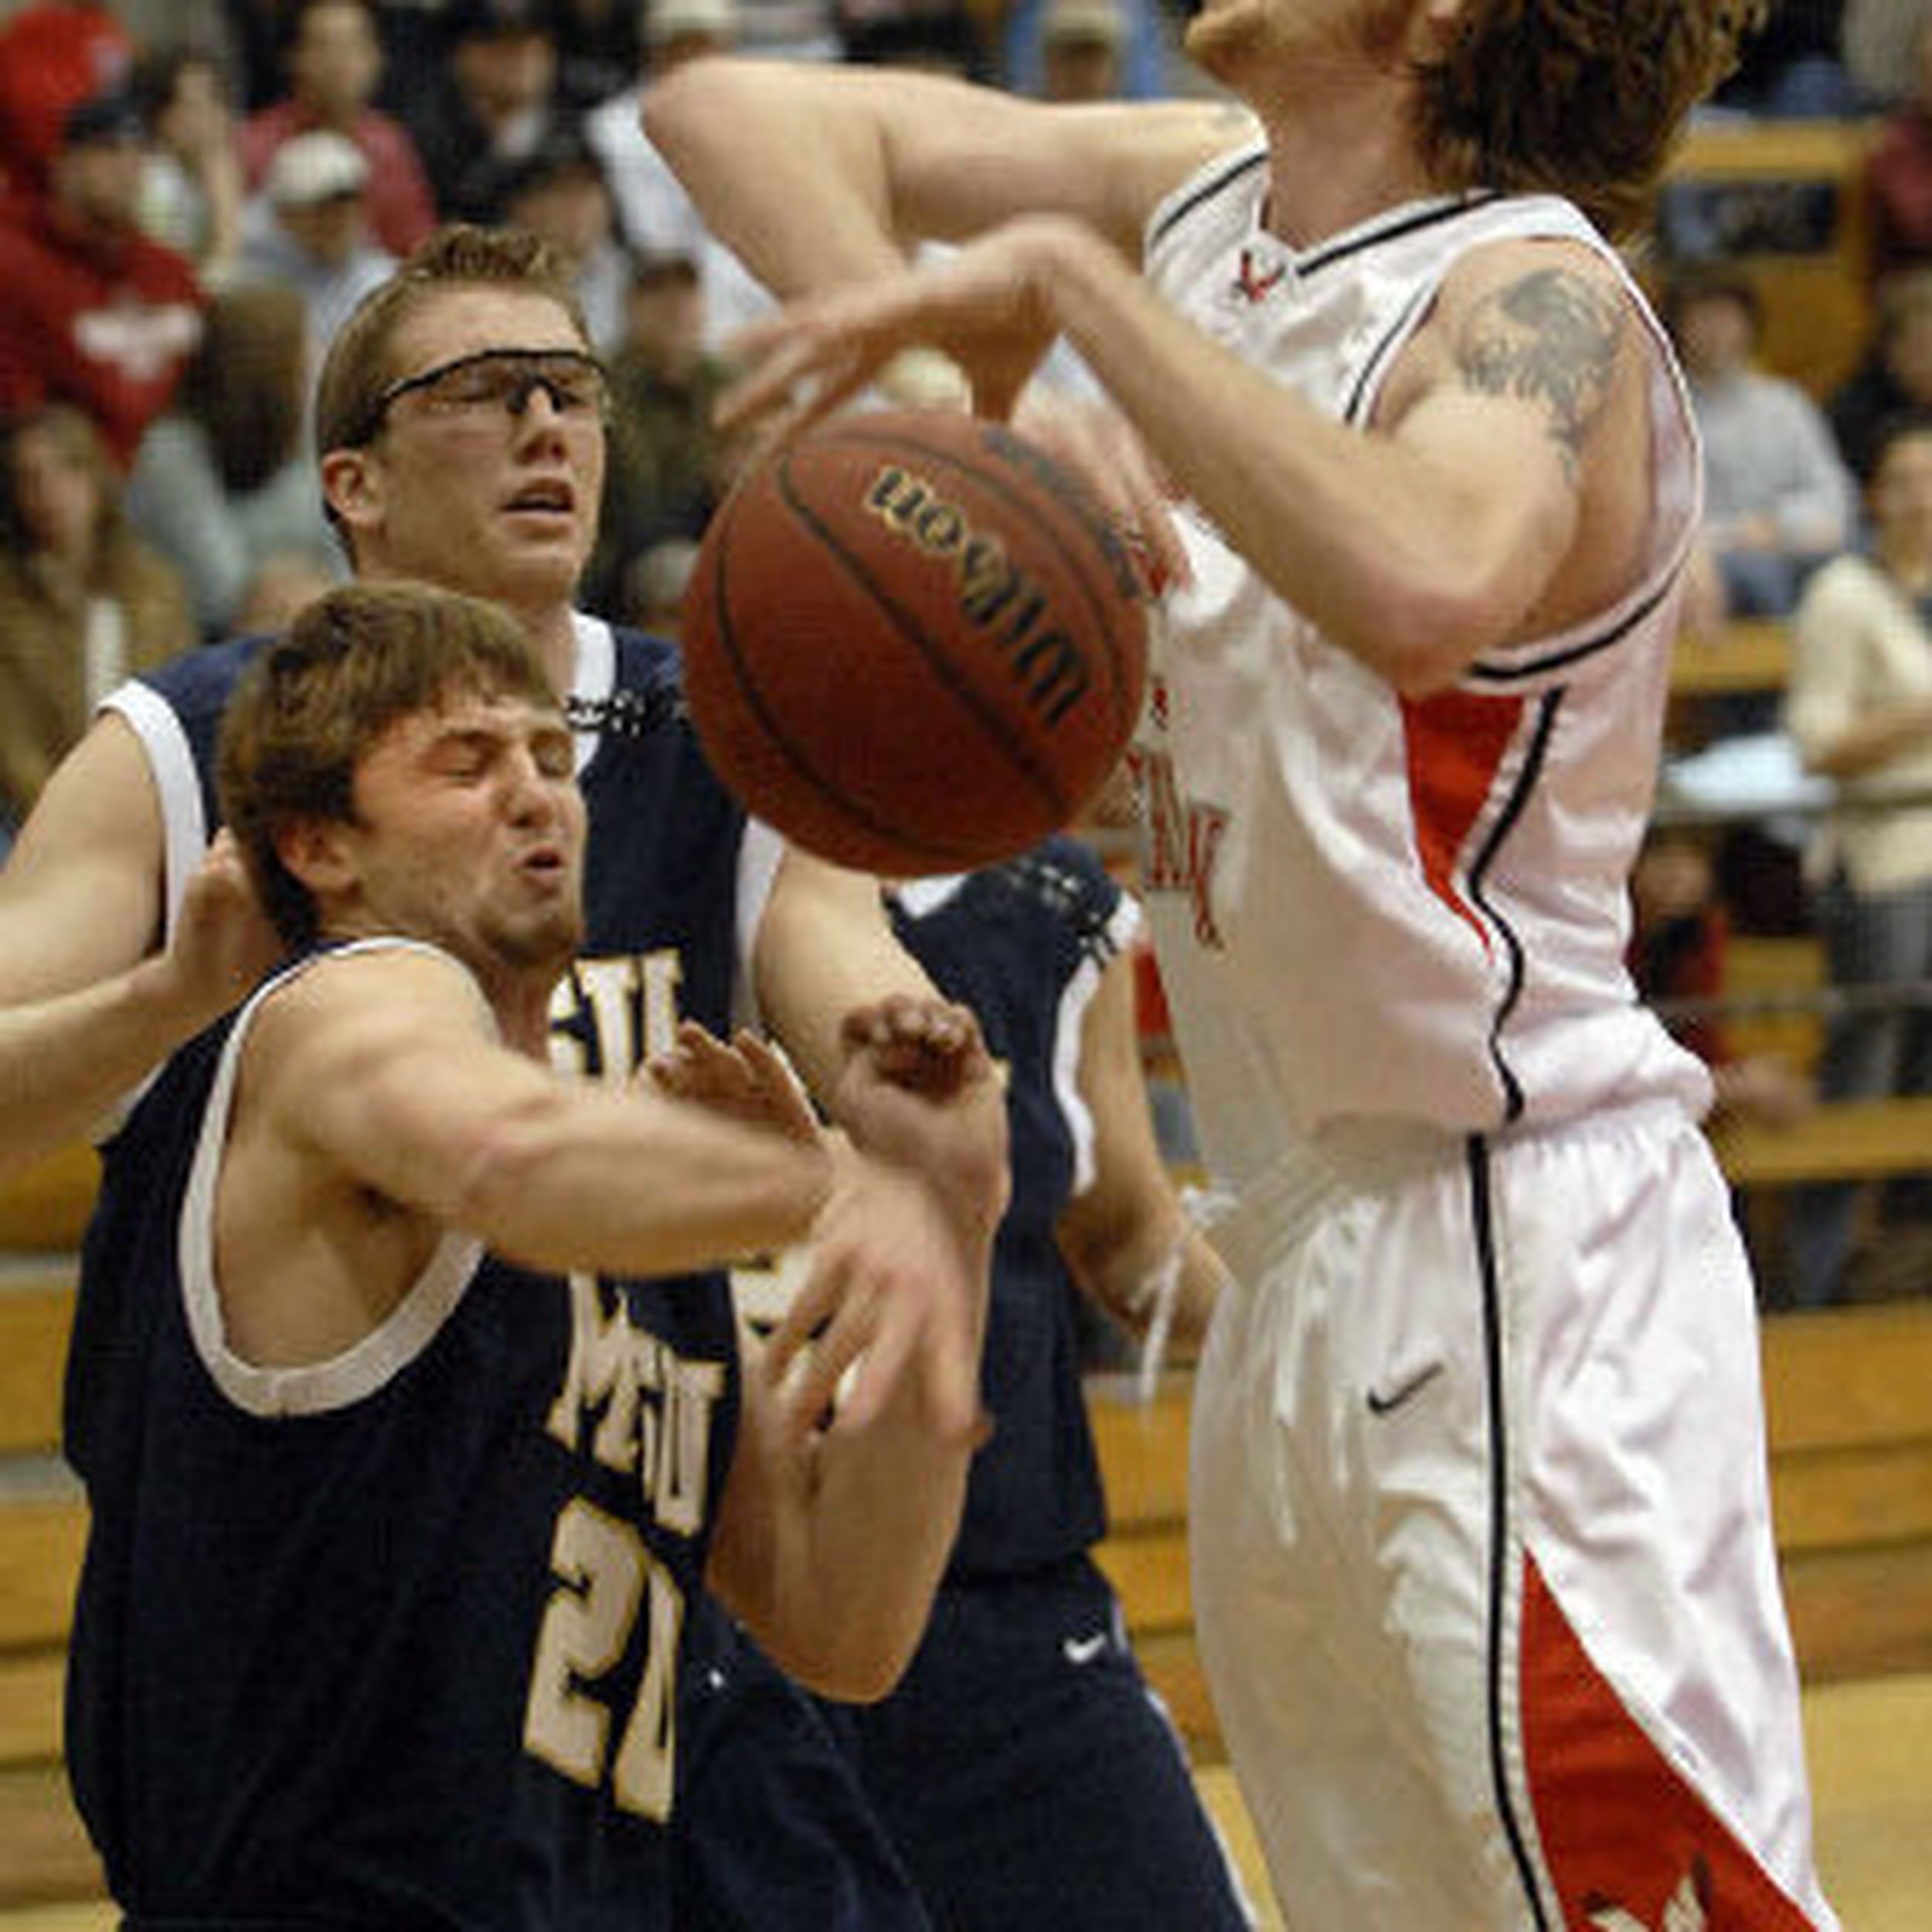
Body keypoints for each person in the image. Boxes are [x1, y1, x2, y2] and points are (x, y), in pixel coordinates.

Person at [644, 9, 1842, 1924]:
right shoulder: (1199, 204)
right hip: (1284, 1259)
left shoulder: (1529, 298)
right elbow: (727, 110)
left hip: (1517, 1251)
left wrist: (1070, 312)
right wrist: (983, 414)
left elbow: (1431, 580)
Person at [0, 221, 998, 1924]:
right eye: (484, 391)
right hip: (319, 1719)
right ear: (353, 480)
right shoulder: (259, 830)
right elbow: (515, 1153)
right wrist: (171, 993)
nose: (548, 423)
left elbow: (847, 1624)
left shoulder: (718, 741)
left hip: (627, 1728)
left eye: (574, 386)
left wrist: (942, 1194)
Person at [797, 836, 1251, 1930]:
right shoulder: (678, 845)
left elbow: (1130, 1233)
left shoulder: (1055, 907)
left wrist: (1310, 1343)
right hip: (756, 1625)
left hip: (1006, 1600)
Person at [1781, 411, 1932, 1308]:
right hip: (1880, 871)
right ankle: (1811, 1289)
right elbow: (1816, 743)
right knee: (1861, 1077)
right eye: (1905, 481)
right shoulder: (1841, 594)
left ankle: (1903, 1285)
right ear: (1875, 496)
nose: (1922, 498)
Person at [0, 404, 194, 845]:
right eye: (30, 478)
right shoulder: (6, 601)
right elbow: (12, 747)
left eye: (67, 471)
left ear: (97, 479)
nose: (50, 493)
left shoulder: (155, 587)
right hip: (35, 814)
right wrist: (72, 817)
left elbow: (181, 706)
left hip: (148, 800)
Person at [0, 84, 204, 471]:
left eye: (140, 152)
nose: (127, 167)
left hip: (175, 476)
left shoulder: (169, 271)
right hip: (67, 486)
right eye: (108, 150)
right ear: (64, 164)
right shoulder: (14, 264)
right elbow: (20, 417)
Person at [124, 277, 342, 637]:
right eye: (303, 350)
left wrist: (301, 590)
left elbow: (345, 564)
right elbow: (222, 594)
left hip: (307, 634)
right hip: (200, 648)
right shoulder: (170, 453)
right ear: (264, 366)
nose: (315, 361)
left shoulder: (307, 436)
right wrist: (302, 582)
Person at [239, 0, 437, 259]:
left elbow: (418, 250)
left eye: (355, 46)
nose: (340, 62)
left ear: (378, 58)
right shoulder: (254, 145)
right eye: (325, 46)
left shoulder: (390, 144)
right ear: (293, 58)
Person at [238, 128, 398, 376]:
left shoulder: (385, 282)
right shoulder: (254, 289)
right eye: (321, 208)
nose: (338, 220)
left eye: (348, 204)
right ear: (284, 214)